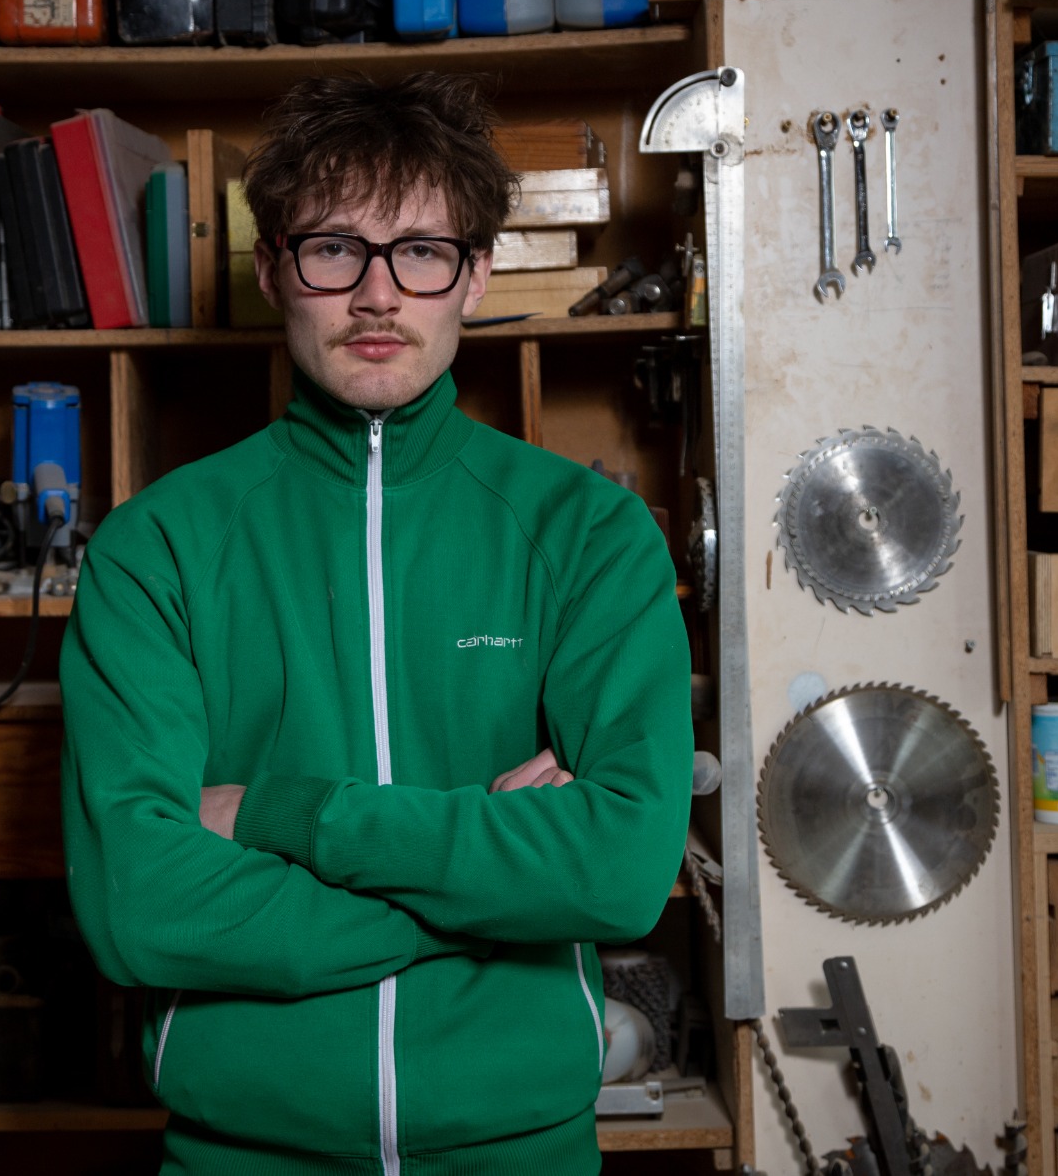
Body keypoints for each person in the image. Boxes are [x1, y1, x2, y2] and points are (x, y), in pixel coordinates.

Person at [61, 71, 693, 1175]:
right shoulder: (153, 549)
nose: (376, 295)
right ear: (273, 269)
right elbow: (137, 904)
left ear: (475, 275)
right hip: (238, 1157)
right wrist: (492, 898)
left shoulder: (591, 535)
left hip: (523, 1154)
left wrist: (281, 814)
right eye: (333, 250)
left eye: (422, 252)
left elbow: (620, 871)